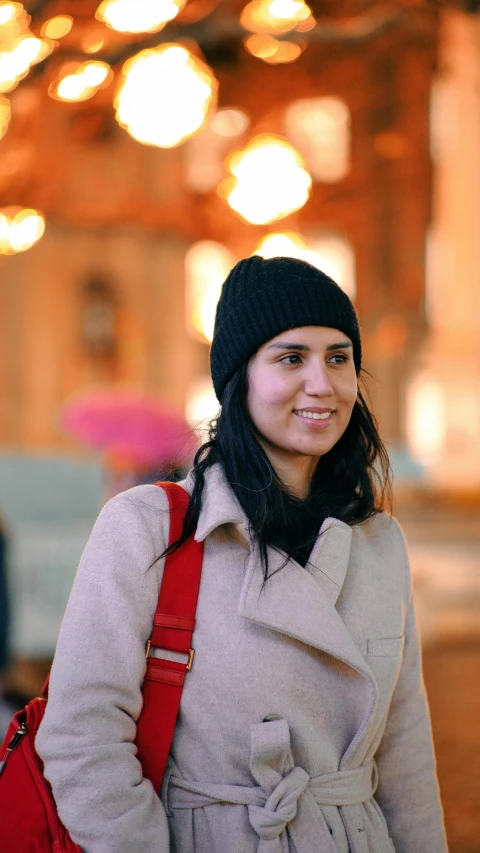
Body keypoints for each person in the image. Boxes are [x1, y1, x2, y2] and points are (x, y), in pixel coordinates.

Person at [36, 256, 448, 853]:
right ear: (239, 378)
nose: (322, 383)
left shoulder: (379, 541)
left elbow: (404, 750)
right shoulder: (151, 529)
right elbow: (81, 736)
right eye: (290, 358)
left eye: (338, 357)